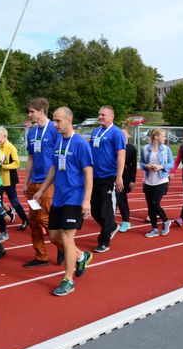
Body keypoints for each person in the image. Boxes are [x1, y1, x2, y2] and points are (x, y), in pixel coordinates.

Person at [32, 107, 94, 296]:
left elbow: (88, 172)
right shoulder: (59, 140)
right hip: (58, 197)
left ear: (69, 120)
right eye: (54, 120)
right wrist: (42, 190)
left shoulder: (80, 143)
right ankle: (81, 256)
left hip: (74, 198)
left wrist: (86, 200)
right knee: (53, 237)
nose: (55, 124)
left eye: (58, 121)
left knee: (67, 238)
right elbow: (53, 167)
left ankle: (68, 279)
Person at [22, 98, 60, 268]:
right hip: (34, 183)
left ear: (41, 111)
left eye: (32, 111)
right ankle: (41, 255)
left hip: (49, 183)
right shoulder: (31, 132)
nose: (29, 114)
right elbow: (30, 158)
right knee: (33, 220)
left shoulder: (54, 129)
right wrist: (26, 182)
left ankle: (65, 247)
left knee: (44, 218)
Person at [89, 106, 126, 253]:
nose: (100, 117)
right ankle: (112, 226)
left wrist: (119, 176)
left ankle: (104, 241)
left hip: (109, 176)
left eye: (103, 115)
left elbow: (121, 155)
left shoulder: (116, 133)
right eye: (99, 114)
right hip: (94, 176)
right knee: (94, 210)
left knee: (106, 210)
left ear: (112, 116)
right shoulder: (95, 132)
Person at [141, 129, 174, 237]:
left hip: (161, 180)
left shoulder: (166, 149)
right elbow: (142, 163)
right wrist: (147, 166)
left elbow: (171, 164)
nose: (165, 138)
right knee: (150, 206)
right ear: (156, 137)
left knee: (155, 203)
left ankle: (166, 221)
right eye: (163, 136)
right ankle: (154, 228)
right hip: (148, 180)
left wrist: (161, 166)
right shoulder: (145, 148)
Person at [0, 127, 28, 231]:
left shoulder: (11, 147)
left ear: (5, 136)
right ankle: (6, 214)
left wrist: (3, 166)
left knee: (14, 202)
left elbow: (17, 164)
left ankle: (25, 219)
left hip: (9, 180)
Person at [116, 128, 137, 232]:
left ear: (129, 135)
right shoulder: (115, 146)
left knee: (120, 197)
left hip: (126, 176)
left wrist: (132, 180)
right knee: (118, 198)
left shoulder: (131, 148)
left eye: (124, 134)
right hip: (114, 174)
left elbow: (134, 165)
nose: (122, 135)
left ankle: (126, 221)